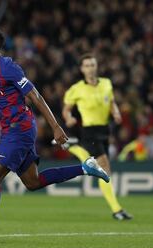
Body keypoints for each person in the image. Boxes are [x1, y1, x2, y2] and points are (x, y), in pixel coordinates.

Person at [0, 27, 110, 248]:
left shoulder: (8, 67)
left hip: (19, 130)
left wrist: (56, 127)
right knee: (33, 182)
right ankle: (85, 168)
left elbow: (35, 96)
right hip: (12, 131)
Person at [62, 53, 133, 221]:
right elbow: (66, 109)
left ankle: (74, 147)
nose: (90, 68)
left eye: (92, 65)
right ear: (81, 69)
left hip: (104, 130)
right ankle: (117, 210)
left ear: (96, 66)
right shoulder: (76, 88)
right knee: (105, 167)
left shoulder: (106, 84)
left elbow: (112, 102)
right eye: (86, 65)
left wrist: (115, 113)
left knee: (101, 169)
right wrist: (69, 118)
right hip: (89, 130)